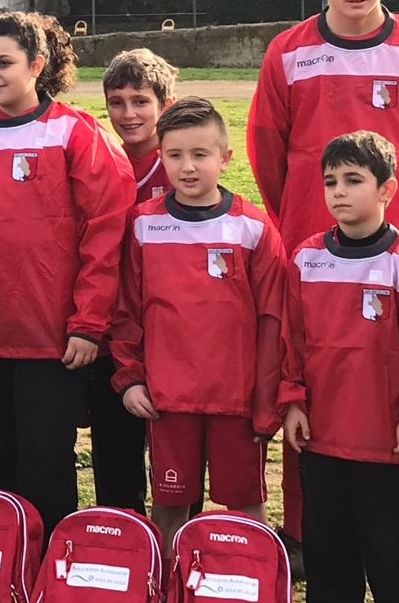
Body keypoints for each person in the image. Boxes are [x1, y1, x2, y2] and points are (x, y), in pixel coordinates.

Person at [247, 0, 399, 603]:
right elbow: (269, 154)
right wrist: (304, 225)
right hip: (314, 257)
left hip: (398, 259)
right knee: (304, 386)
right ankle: (304, 533)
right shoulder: (288, 54)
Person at [0, 12, 132, 534]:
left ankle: (50, 581)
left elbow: (106, 235)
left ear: (36, 65)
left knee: (45, 467)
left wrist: (88, 322)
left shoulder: (75, 133)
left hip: (48, 340)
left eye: (4, 63)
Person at [282, 132, 399, 603]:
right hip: (322, 428)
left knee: (392, 534)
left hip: (385, 431)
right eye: (330, 182)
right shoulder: (305, 259)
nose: (339, 193)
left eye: (353, 181)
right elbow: (292, 341)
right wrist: (293, 400)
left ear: (387, 188)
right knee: (326, 530)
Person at [112, 97, 285, 553]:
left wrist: (266, 402)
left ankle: (255, 590)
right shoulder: (144, 225)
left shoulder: (253, 229)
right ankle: (165, 593)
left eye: (200, 155)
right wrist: (130, 379)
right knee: (169, 505)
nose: (187, 167)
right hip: (168, 401)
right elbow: (126, 311)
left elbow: (274, 320)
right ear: (161, 156)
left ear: (225, 158)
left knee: (245, 503)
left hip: (237, 400)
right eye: (175, 155)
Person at [87, 47, 179, 514]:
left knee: (170, 445)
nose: (127, 113)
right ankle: (120, 531)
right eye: (117, 101)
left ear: (164, 104)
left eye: (140, 100)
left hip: (165, 326)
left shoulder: (181, 164)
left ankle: (174, 538)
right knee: (114, 438)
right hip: (109, 326)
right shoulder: (98, 157)